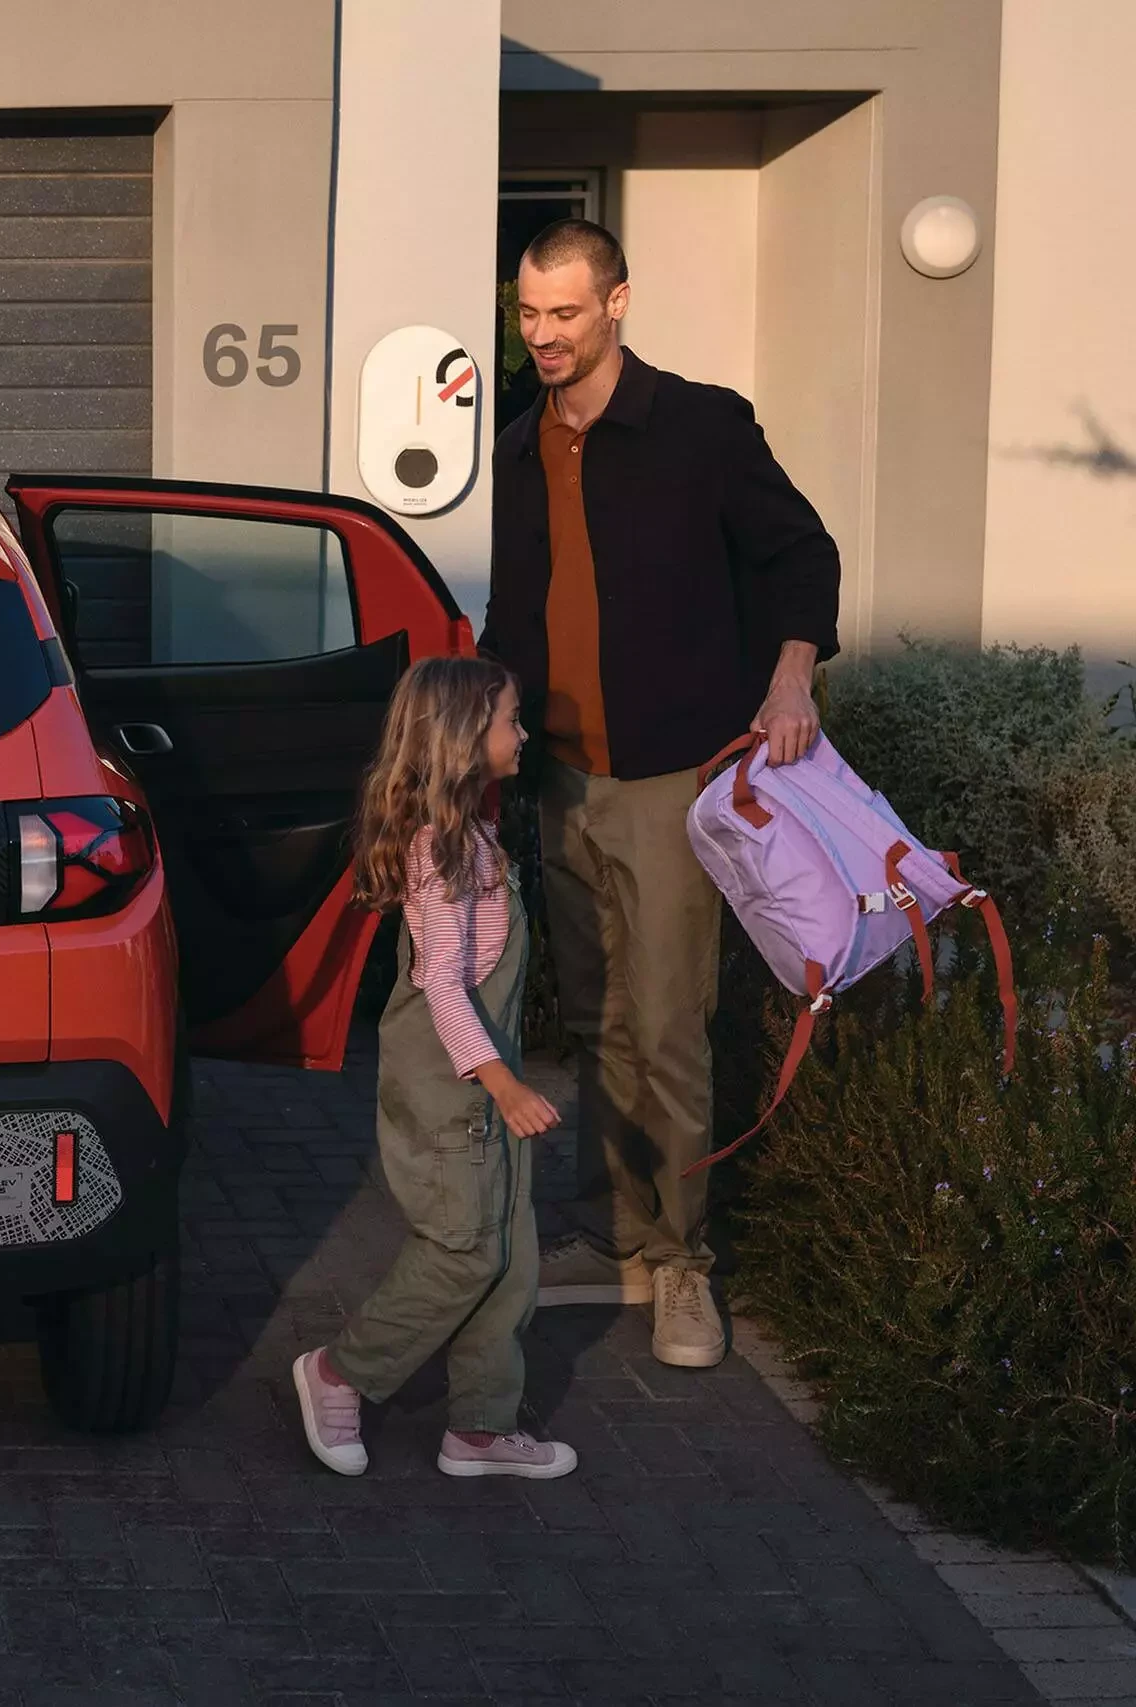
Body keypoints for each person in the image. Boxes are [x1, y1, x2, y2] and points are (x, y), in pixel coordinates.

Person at [482, 219, 841, 1369]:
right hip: (562, 781)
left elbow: (803, 555)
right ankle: (617, 1231)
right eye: (528, 313)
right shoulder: (520, 443)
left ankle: (685, 1265)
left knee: (670, 1026)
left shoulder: (701, 426)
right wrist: (478, 745)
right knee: (596, 1023)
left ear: (617, 302)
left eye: (563, 313)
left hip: (674, 780)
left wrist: (791, 677)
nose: (542, 334)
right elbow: (514, 611)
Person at [292, 657, 577, 1481]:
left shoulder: (471, 836)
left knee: (510, 1251)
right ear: (463, 739)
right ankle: (341, 1372)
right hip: (455, 1083)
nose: (523, 734)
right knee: (463, 1250)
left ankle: (481, 1426)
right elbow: (446, 988)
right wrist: (504, 1083)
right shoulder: (441, 853)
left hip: (481, 1076)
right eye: (510, 720)